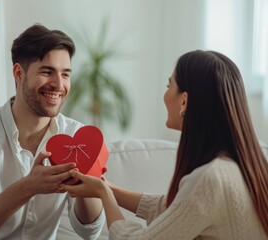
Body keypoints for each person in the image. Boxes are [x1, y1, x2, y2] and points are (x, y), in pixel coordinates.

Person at [62, 50, 268, 239]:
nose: (165, 94)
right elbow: (175, 210)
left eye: (169, 86)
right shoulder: (246, 166)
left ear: (184, 101)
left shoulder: (210, 178)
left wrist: (103, 194)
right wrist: (107, 187)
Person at [0, 24, 105, 239]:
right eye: (47, 72)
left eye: (65, 74)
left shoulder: (77, 136)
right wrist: (28, 187)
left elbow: (90, 232)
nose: (59, 85)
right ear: (19, 73)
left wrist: (87, 181)